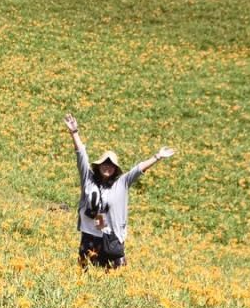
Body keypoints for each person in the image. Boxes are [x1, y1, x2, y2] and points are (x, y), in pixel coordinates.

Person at [64, 114, 175, 269]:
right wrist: (74, 133)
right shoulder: (88, 179)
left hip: (110, 236)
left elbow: (137, 170)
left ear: (115, 169)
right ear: (98, 165)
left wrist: (157, 157)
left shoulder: (121, 183)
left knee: (116, 275)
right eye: (104, 163)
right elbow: (81, 155)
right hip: (90, 235)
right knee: (85, 273)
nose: (107, 166)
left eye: (111, 164)